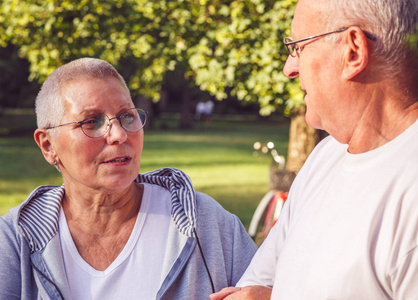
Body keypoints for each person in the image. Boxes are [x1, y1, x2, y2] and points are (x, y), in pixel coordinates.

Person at [210, 0, 418, 299]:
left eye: (298, 46)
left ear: (353, 51)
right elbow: (263, 285)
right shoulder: (327, 157)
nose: (289, 68)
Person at [0, 57, 257, 300]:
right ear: (48, 146)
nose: (119, 135)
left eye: (127, 116)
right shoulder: (15, 241)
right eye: (92, 121)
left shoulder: (207, 224)